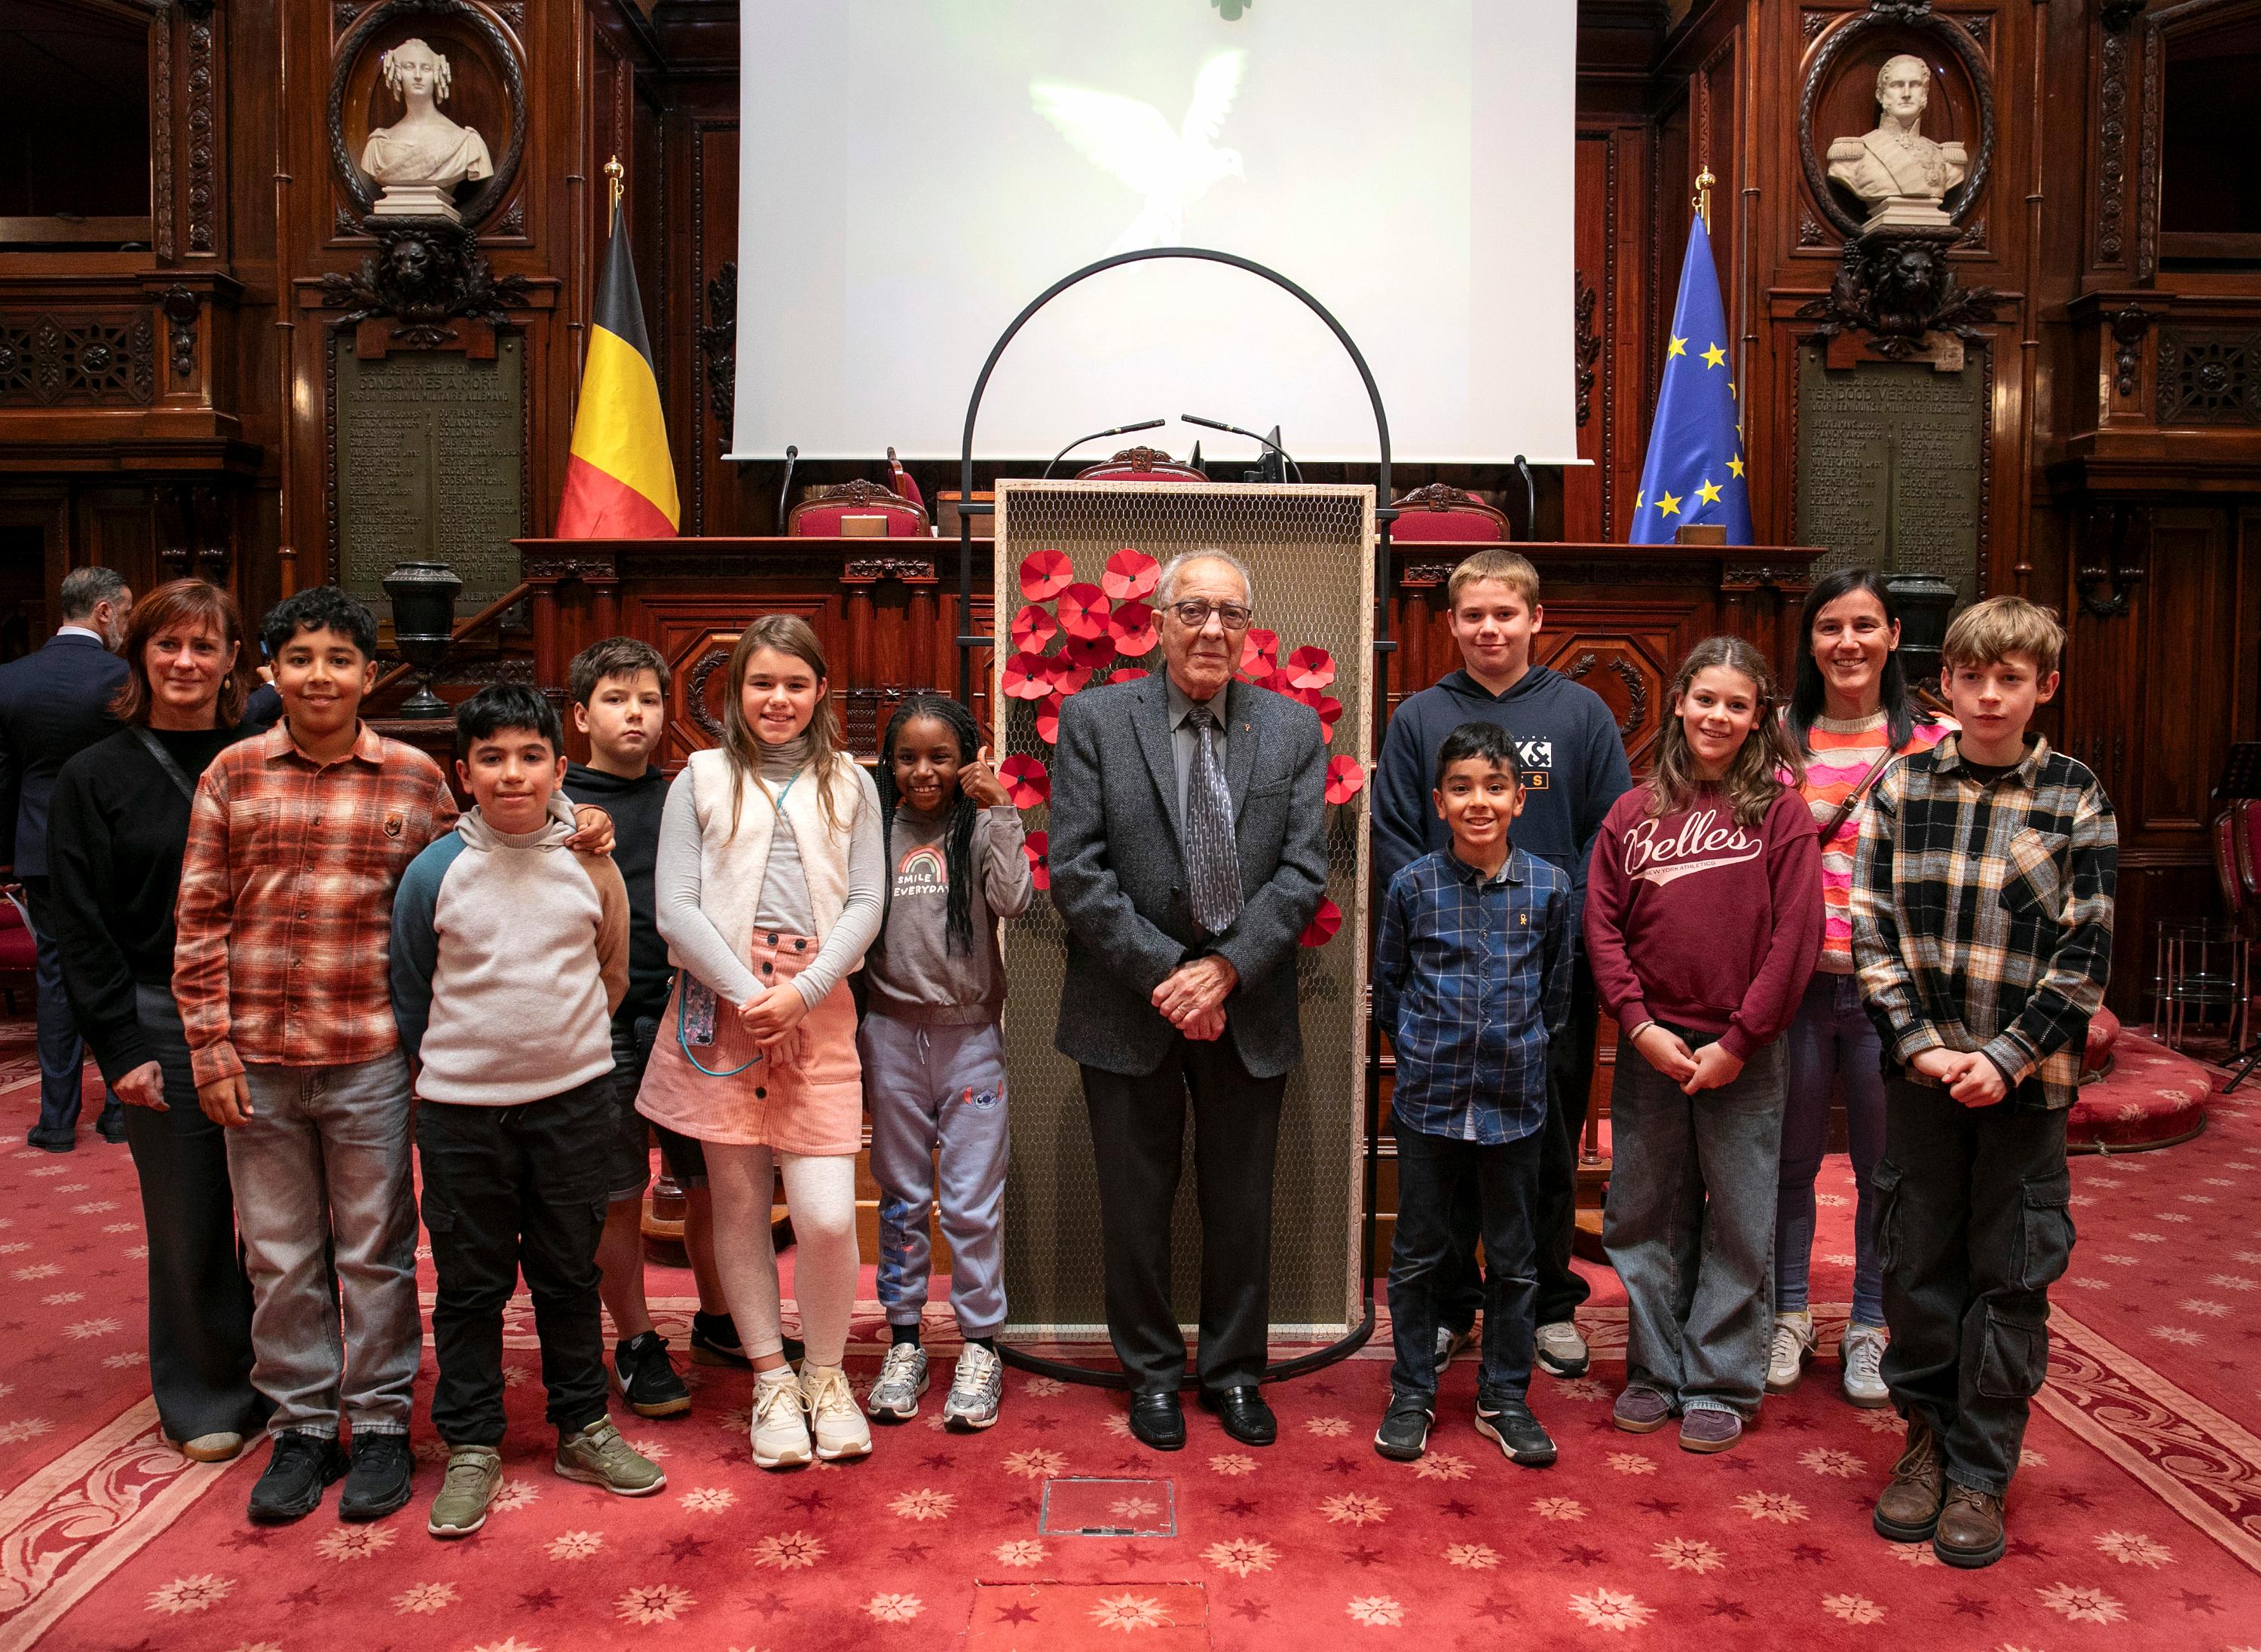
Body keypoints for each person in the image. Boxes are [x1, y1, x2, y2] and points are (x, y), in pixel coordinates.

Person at [172, 586, 611, 1525]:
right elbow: (201, 920)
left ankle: (377, 1427)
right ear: (270, 672)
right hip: (258, 1054)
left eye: (340, 659)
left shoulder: (414, 778)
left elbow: (514, 879)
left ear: (371, 674)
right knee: (282, 1256)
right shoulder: (231, 775)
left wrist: (583, 824)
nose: (321, 675)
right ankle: (300, 1428)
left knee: (376, 1252)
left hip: (369, 1054)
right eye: (301, 658)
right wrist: (209, 1046)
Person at [1853, 597, 2114, 1569]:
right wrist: (1922, 1045)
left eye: (2013, 678)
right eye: (1975, 677)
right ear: (1947, 685)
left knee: (2010, 1269)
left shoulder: (2076, 795)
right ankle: (1922, 1439)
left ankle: (1981, 1466)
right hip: (1922, 1075)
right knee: (1920, 1260)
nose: (1992, 694)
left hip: (2027, 1083)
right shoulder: (1902, 783)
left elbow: (2086, 952)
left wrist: (2002, 1056)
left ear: (2044, 686)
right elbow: (1870, 923)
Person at [1049, 549, 1329, 1452]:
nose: (1213, 629)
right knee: (1134, 1203)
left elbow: (1302, 871)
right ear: (1162, 619)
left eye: (1231, 615)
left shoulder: (1291, 730)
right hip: (1130, 1001)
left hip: (1248, 1003)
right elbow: (1076, 869)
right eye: (1194, 610)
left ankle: (1237, 1370)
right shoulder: (1095, 718)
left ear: (1250, 632)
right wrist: (1174, 971)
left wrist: (1229, 968)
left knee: (1242, 1201)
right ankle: (1153, 1373)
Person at [393, 685, 664, 1538]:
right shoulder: (434, 871)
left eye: (531, 755)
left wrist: (562, 1051)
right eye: (492, 758)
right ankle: (472, 1441)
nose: (513, 774)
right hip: (463, 1114)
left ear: (558, 764)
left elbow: (611, 971)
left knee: (568, 1271)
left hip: (574, 1101)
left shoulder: (590, 862)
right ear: (463, 772)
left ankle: (582, 1424)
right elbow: (411, 990)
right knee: (471, 1284)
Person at [1372, 549, 1630, 1381]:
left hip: (1545, 978)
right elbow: (1395, 839)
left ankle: (1548, 1301)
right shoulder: (1418, 719)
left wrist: (1572, 936)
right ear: (1451, 623)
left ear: (1535, 619)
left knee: (1544, 1146)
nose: (1490, 628)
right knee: (1442, 1154)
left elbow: (1607, 834)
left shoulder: (1583, 713)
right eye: (1474, 615)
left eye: (1505, 613)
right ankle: (1449, 1304)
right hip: (1444, 988)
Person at [637, 616, 882, 1470]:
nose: (777, 700)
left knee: (819, 1211)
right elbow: (676, 907)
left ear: (821, 691)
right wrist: (749, 995)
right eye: (760, 683)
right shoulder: (698, 778)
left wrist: (803, 992)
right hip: (723, 1001)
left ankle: (826, 1372)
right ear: (733, 690)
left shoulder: (853, 782)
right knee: (738, 1205)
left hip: (815, 1007)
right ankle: (772, 1378)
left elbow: (866, 903)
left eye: (795, 683)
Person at [1584, 635, 1822, 1455]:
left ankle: (1720, 1376)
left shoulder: (1781, 816)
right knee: (1644, 1210)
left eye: (1737, 704)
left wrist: (1741, 1038)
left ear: (1759, 720)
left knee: (1739, 1217)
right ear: (1679, 702)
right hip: (1653, 1044)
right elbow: (1603, 927)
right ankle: (1654, 1367)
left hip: (1743, 1052)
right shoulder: (1632, 811)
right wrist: (1639, 1025)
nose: (1718, 716)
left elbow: (1796, 935)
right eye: (1706, 698)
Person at [47, 579, 267, 1463]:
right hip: (158, 1012)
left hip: (271, 1009)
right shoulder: (93, 774)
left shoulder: (263, 755)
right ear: (137, 652)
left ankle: (297, 1374)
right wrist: (120, 1045)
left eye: (204, 646)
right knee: (189, 1210)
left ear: (230, 662)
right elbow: (80, 923)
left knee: (295, 1208)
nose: (185, 661)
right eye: (168, 645)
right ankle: (207, 1387)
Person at [1770, 571, 1953, 1407]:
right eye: (1830, 626)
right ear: (1809, 641)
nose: (1847, 642)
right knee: (1789, 1161)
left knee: (1886, 1168)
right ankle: (1789, 1312)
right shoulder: (1777, 737)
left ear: (1892, 636)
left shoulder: (1935, 740)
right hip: (1798, 986)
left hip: (1892, 992)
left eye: (1865, 626)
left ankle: (1873, 1325)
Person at [1372, 722, 1571, 1469]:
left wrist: (1517, 1049)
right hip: (1430, 1100)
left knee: (1515, 1259)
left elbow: (1557, 996)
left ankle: (1504, 1397)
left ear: (1520, 798)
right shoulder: (1412, 886)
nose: (1478, 801)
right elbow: (1391, 989)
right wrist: (1425, 1049)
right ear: (1439, 800)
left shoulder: (1551, 887)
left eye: (1494, 786)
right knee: (1420, 1252)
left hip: (1515, 1102)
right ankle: (1412, 1390)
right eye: (1461, 787)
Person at [561, 638, 738, 1417]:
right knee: (619, 1190)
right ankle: (634, 1337)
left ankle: (722, 1317)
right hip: (600, 1023)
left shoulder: (687, 794)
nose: (635, 714)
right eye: (615, 699)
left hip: (691, 1014)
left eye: (648, 700)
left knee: (711, 1184)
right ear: (580, 714)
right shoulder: (553, 804)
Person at [860, 693, 1032, 1431]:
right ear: (889, 761)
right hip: (891, 1037)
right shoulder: (874, 829)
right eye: (908, 756)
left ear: (967, 757)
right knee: (900, 1199)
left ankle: (980, 1344)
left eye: (940, 755)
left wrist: (999, 810)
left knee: (968, 1203)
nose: (924, 770)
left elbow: (1015, 899)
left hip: (969, 1042)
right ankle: (904, 1339)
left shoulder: (977, 823)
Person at [0, 565, 133, 1151]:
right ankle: (122, 1111)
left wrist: (11, 850)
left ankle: (56, 1121)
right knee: (119, 969)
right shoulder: (124, 677)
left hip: (38, 845)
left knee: (54, 976)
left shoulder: (11, 679)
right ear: (103, 612)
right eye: (126, 615)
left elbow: (4, 777)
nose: (127, 628)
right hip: (113, 844)